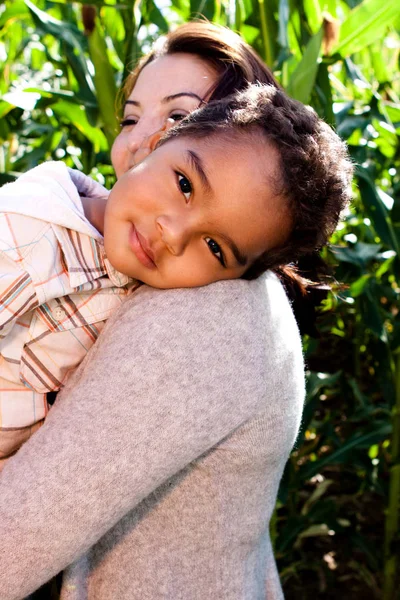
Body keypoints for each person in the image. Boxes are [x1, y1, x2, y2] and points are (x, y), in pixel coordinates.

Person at [0, 23, 351, 600]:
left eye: (176, 114)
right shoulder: (41, 233)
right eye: (132, 119)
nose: (137, 142)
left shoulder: (206, 313)